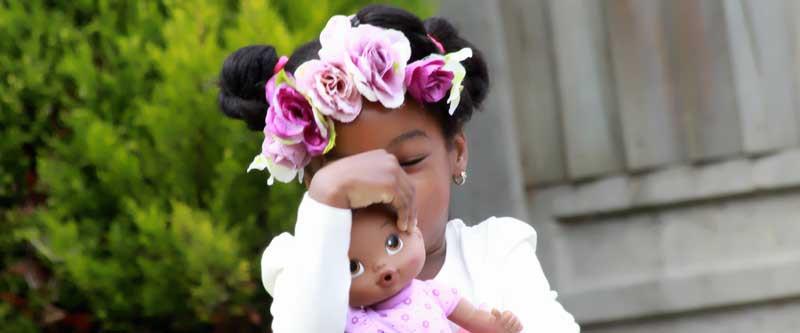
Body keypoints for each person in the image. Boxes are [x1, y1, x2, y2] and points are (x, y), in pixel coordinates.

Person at [218, 5, 580, 332]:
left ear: (455, 152)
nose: (385, 189)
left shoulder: (495, 252)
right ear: (314, 182)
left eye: (408, 163)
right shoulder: (303, 268)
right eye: (349, 178)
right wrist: (329, 198)